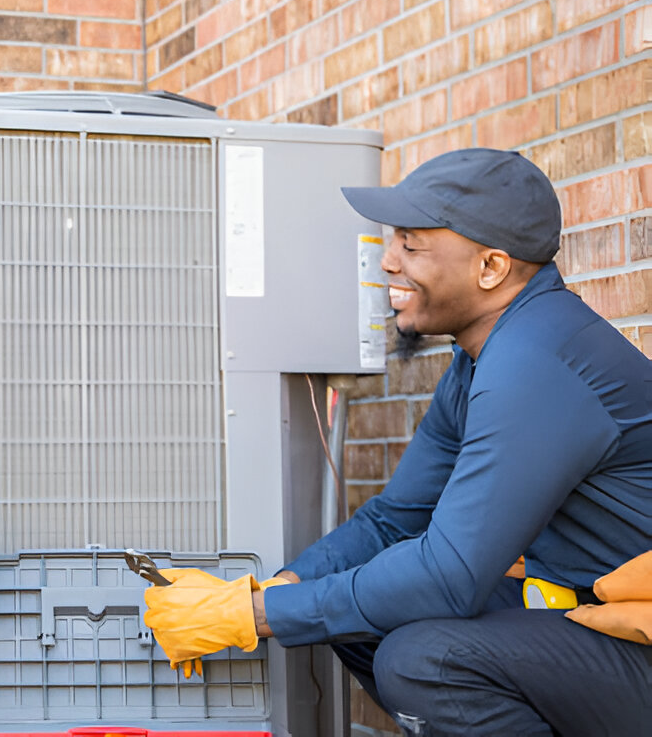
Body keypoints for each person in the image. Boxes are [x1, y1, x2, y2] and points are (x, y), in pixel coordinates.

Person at [143, 148, 652, 734]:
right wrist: (279, 587)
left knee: (423, 661)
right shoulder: (480, 363)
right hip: (590, 616)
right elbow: (394, 518)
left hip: (635, 636)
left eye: (411, 244)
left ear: (490, 267)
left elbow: (448, 575)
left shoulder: (538, 365)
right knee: (362, 619)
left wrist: (254, 616)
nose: (386, 262)